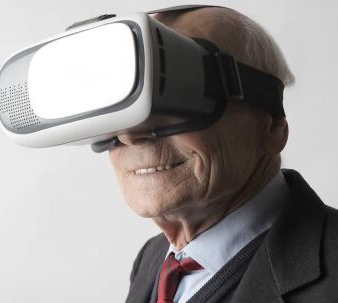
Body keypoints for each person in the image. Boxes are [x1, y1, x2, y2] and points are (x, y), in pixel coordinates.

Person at [108, 7, 338, 303]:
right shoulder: (151, 260)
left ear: (272, 127)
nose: (129, 135)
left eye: (179, 96)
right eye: (122, 106)